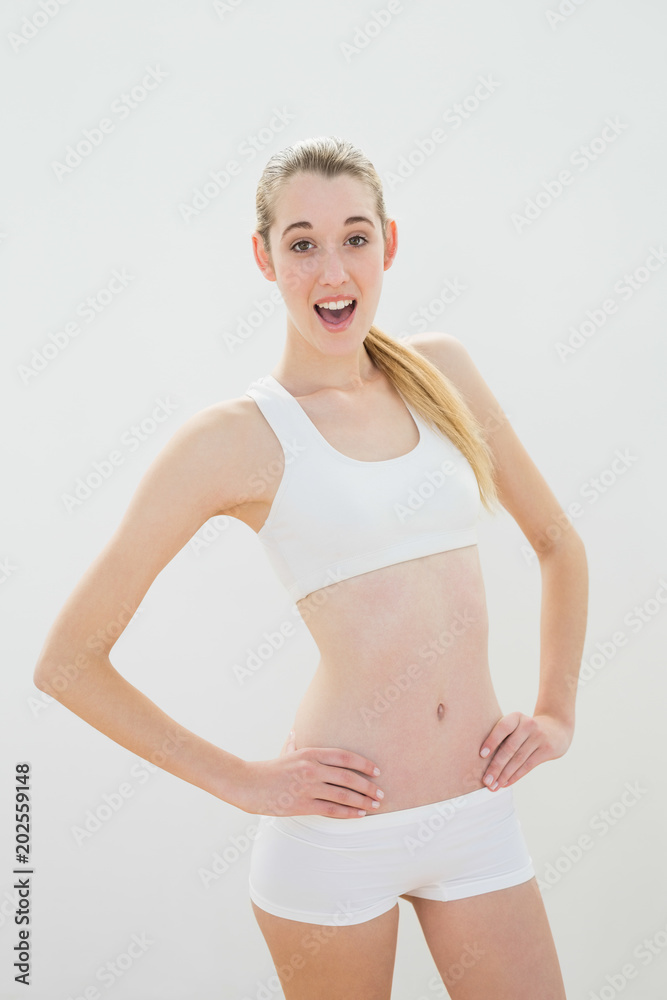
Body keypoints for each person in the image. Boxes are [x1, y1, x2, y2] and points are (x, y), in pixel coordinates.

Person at [34, 135, 587, 999]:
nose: (332, 270)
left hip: (478, 815)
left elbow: (557, 542)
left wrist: (555, 713)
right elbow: (66, 663)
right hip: (337, 840)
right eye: (301, 243)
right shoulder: (233, 438)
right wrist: (243, 782)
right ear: (263, 258)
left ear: (388, 244)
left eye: (355, 237)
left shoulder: (439, 374)